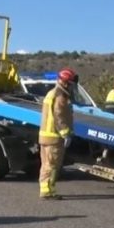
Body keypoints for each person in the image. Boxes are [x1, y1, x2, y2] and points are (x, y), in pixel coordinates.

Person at [38, 68, 76, 200]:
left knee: (47, 164)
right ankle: (47, 191)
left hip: (46, 136)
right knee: (52, 165)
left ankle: (48, 189)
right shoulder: (60, 96)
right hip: (53, 137)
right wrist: (65, 133)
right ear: (66, 82)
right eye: (70, 83)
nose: (71, 87)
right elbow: (59, 116)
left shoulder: (52, 93)